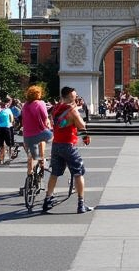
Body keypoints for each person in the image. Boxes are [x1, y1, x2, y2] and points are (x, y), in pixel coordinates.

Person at [42, 86, 93, 214]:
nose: (76, 97)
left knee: (55, 173)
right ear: (70, 97)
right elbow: (82, 126)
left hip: (56, 145)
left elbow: (62, 122)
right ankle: (81, 204)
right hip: (68, 145)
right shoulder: (73, 111)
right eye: (74, 96)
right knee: (78, 173)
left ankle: (47, 199)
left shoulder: (55, 109)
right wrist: (85, 137)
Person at [21, 85, 53, 175]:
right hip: (39, 132)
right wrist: (49, 125)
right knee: (50, 138)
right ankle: (43, 161)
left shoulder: (25, 106)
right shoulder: (40, 103)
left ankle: (30, 172)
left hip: (27, 134)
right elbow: (45, 117)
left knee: (32, 154)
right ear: (37, 94)